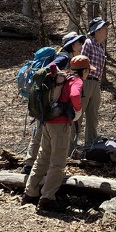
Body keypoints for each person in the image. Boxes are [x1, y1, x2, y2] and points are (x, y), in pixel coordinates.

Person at [22, 55, 88, 211]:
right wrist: (78, 111)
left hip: (47, 123)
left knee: (42, 157)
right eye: (87, 71)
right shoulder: (76, 80)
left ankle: (29, 194)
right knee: (57, 163)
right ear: (84, 70)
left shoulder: (61, 76)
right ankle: (47, 198)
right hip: (61, 126)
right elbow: (74, 95)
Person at [21, 32, 87, 174]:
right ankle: (29, 165)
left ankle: (33, 165)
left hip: (50, 100)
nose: (81, 46)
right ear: (72, 45)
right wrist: (60, 75)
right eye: (78, 43)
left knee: (41, 131)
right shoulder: (63, 57)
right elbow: (49, 69)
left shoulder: (66, 57)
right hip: (49, 102)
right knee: (40, 132)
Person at [80, 16, 109, 147]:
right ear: (96, 30)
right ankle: (70, 147)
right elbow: (83, 63)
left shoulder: (101, 47)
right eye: (104, 28)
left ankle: (90, 146)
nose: (106, 31)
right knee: (78, 115)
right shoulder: (88, 43)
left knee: (93, 116)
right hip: (85, 81)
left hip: (96, 83)